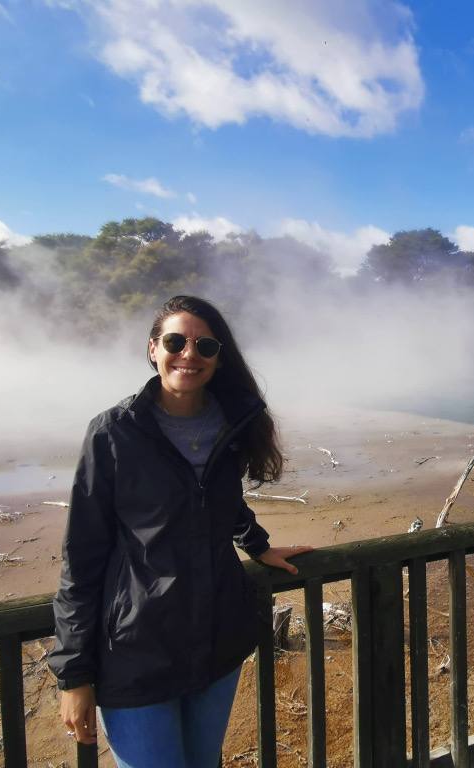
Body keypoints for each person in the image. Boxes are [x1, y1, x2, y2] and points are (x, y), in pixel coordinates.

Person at [49, 295, 313, 768]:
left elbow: (218, 498)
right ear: (153, 349)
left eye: (205, 345)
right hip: (135, 650)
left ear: (217, 358)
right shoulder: (113, 432)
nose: (189, 354)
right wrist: (74, 675)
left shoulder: (232, 424)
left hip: (217, 640)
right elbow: (82, 555)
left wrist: (258, 545)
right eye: (176, 341)